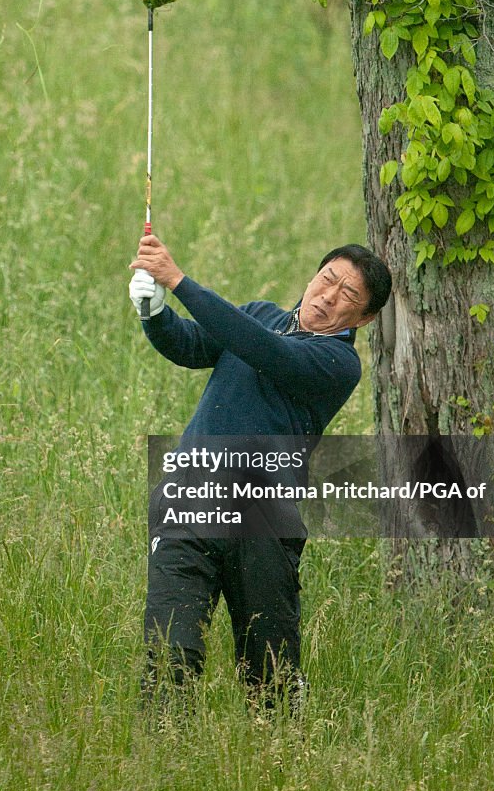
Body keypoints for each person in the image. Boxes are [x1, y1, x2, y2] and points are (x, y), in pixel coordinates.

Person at [129, 233, 391, 706]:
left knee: (269, 677)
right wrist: (154, 312)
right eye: (327, 280)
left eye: (348, 295)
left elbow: (266, 352)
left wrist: (181, 283)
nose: (329, 296)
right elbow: (190, 344)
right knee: (170, 654)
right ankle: (163, 761)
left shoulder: (337, 363)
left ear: (365, 318)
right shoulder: (260, 314)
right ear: (313, 277)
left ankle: (280, 752)